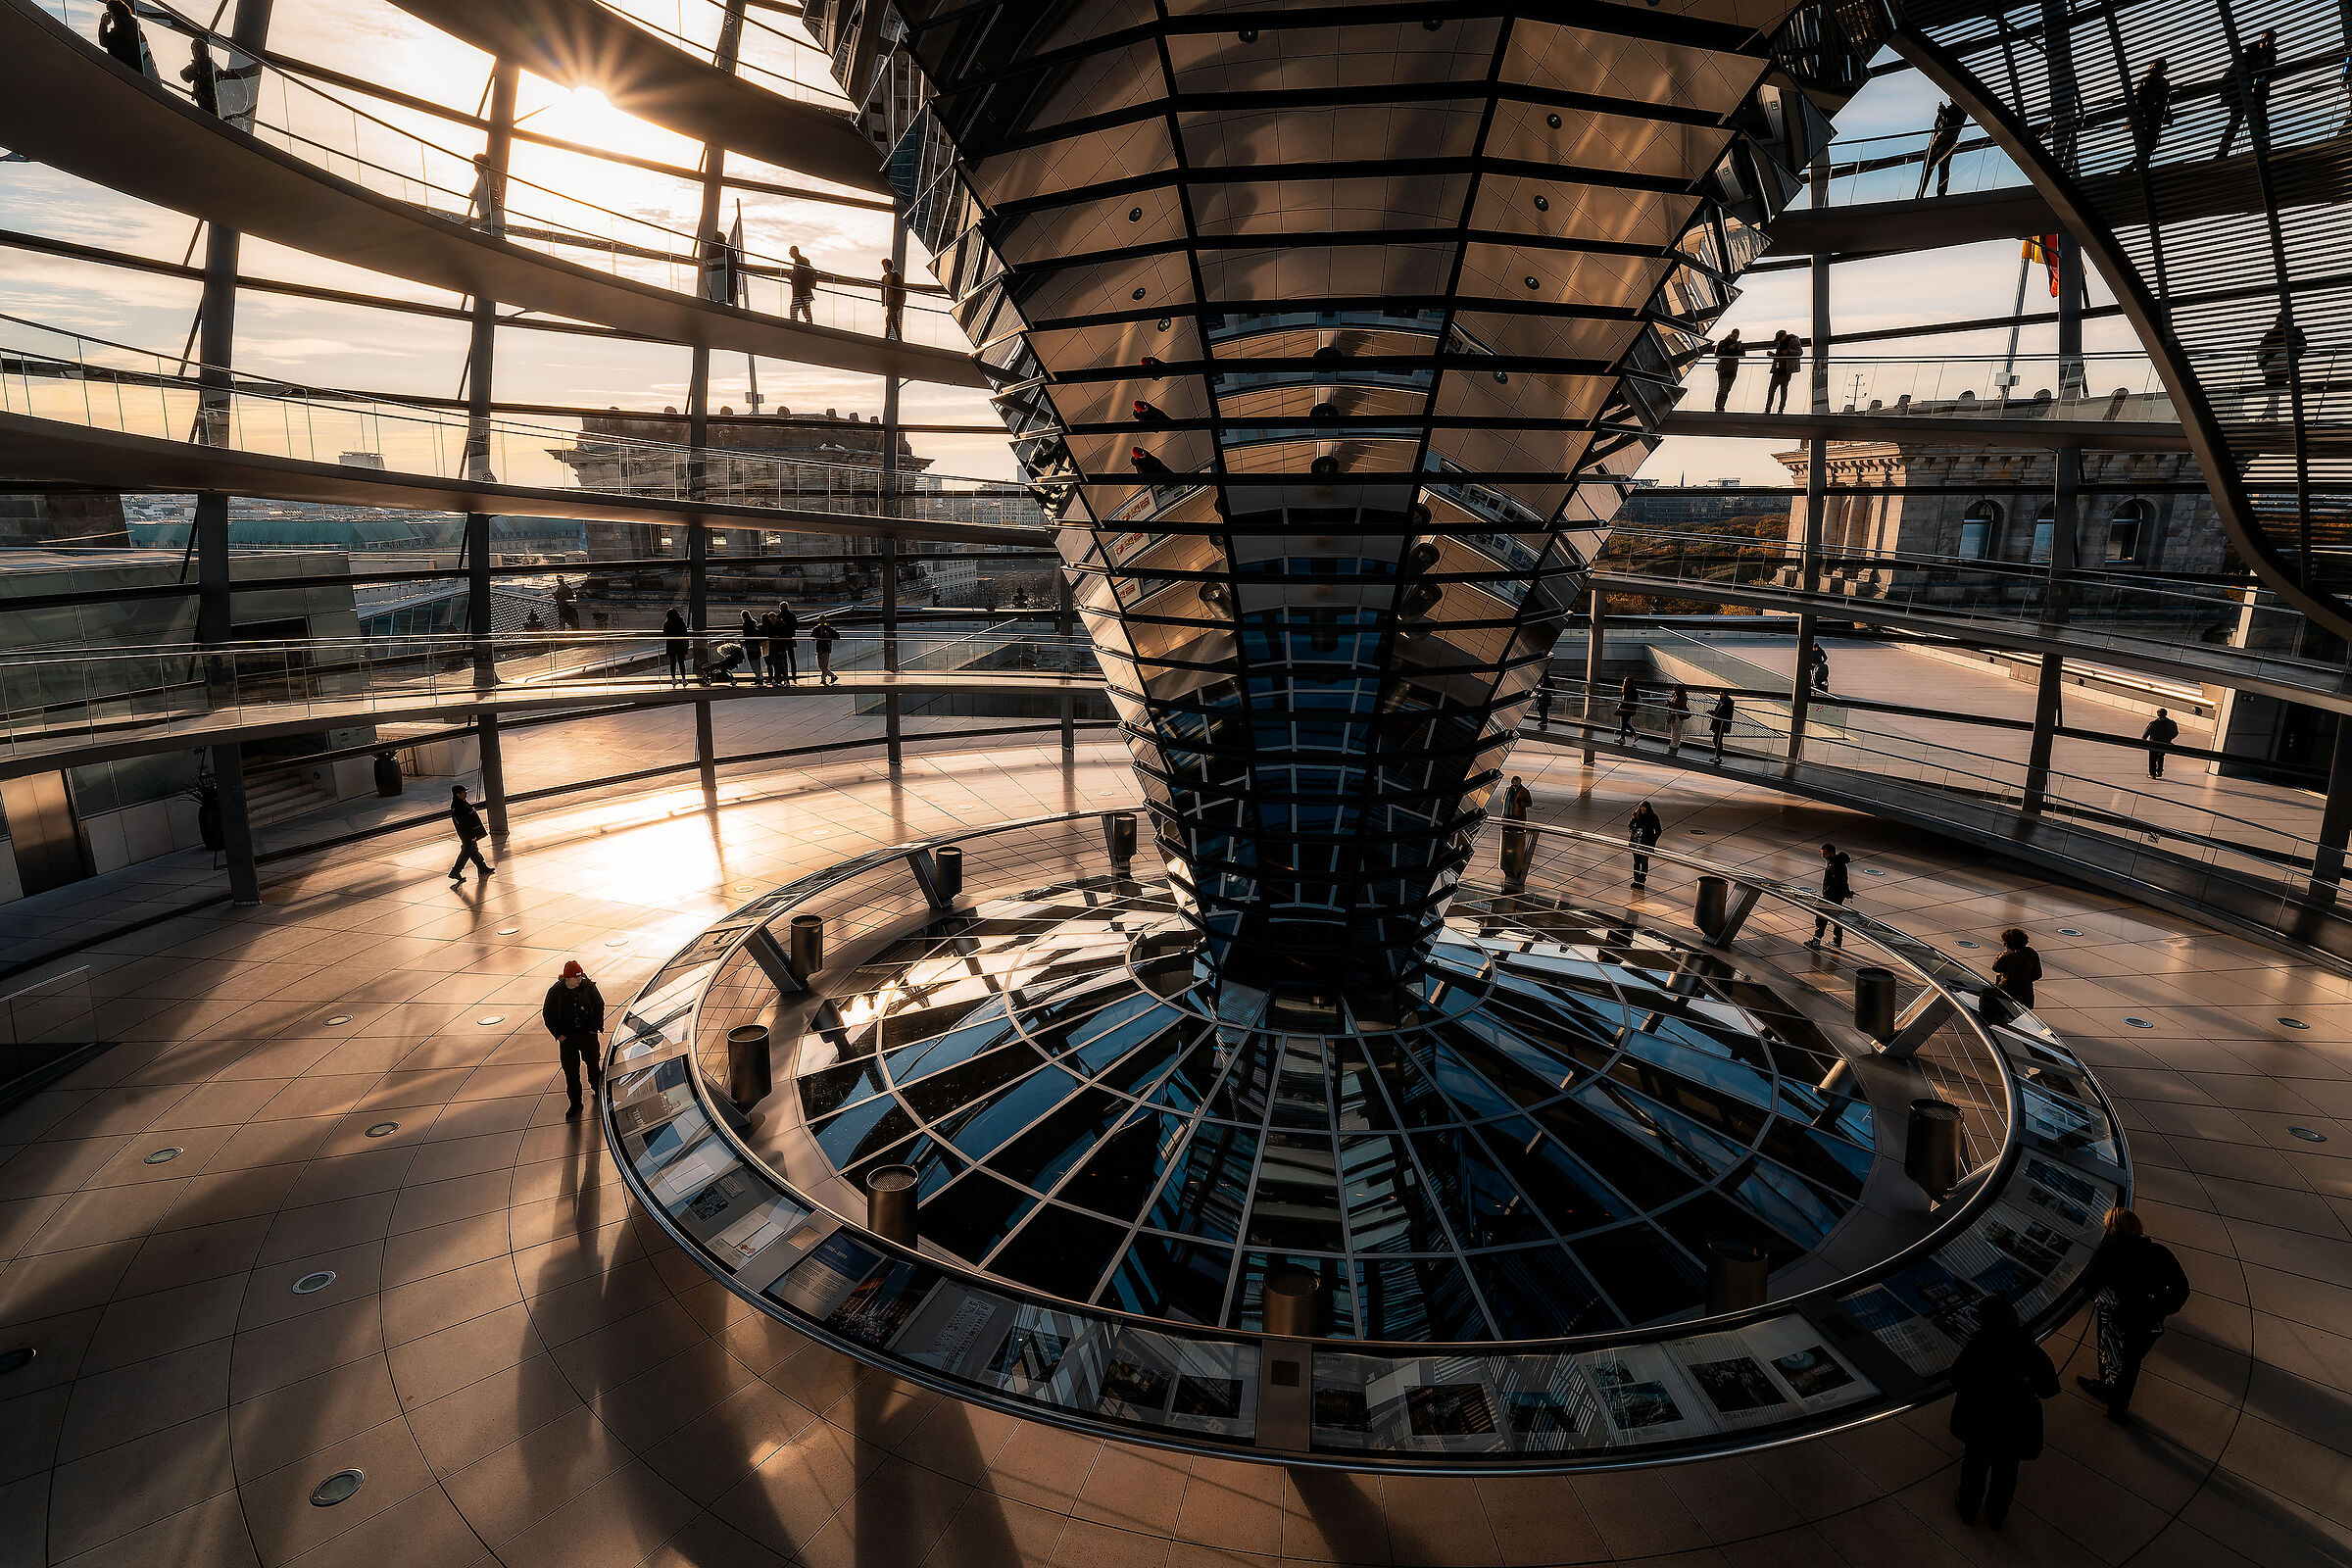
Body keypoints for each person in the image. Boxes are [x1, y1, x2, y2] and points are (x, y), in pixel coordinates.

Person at [1948, 1297, 2058, 1530]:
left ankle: (1968, 1509)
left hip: (1980, 1422)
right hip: (2015, 1427)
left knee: (1974, 1467)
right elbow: (2049, 1387)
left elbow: (1957, 1377)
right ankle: (1997, 1514)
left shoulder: (1978, 1346)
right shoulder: (2028, 1350)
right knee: (2006, 1472)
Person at [2075, 1206, 2190, 1421]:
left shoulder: (2107, 1251)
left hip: (2115, 1318)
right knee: (2131, 1363)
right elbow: (2181, 1289)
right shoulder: (2158, 1252)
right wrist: (2159, 1309)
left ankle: (2106, 1388)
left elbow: (2089, 1284)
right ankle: (2118, 1404)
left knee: (2109, 1355)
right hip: (2147, 1323)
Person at [542, 959, 607, 1119]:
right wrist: (559, 1035)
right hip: (567, 1039)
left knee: (593, 1065)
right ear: (567, 978)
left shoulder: (588, 986)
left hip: (587, 1035)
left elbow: (600, 1005)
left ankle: (598, 1091)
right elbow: (547, 1014)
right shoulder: (555, 992)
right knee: (571, 1073)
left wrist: (594, 1029)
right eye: (576, 977)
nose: (580, 979)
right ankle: (575, 1103)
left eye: (580, 976)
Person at [2216, 29, 2278, 158]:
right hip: (2242, 95)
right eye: (2265, 40)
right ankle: (2222, 152)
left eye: (2271, 41)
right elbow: (2231, 73)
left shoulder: (2271, 57)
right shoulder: (2248, 56)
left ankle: (2266, 148)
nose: (2267, 43)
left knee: (2261, 122)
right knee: (2236, 122)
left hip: (2258, 94)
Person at [2257, 309, 2305, 418]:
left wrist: (2264, 364)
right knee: (2276, 385)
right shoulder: (2291, 332)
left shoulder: (2271, 334)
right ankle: (2272, 410)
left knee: (2275, 385)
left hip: (2278, 367)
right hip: (2280, 367)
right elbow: (2303, 347)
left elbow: (2261, 352)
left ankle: (2272, 410)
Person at [2129, 58, 2174, 170]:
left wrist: (2167, 114)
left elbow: (2164, 101)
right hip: (2149, 118)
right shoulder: (2151, 81)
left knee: (2148, 146)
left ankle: (2136, 167)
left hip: (2151, 118)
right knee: (2147, 145)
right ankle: (2135, 167)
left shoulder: (2153, 81)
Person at [1808, 842, 1851, 950]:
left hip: (1832, 897)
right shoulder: (1834, 863)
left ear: (1832, 853)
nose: (1823, 856)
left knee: (1821, 918)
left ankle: (1816, 940)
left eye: (1825, 854)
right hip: (1834, 896)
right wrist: (1847, 893)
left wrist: (1846, 893)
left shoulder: (1836, 865)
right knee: (1835, 919)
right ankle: (1837, 941)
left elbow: (1840, 882)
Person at [1919, 101, 1965, 199]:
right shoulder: (1950, 109)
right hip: (1935, 143)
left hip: (1945, 143)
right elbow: (1936, 125)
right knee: (1926, 172)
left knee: (1942, 169)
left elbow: (1952, 124)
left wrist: (1943, 113)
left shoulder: (1961, 109)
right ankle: (1920, 194)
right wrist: (1940, 114)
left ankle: (1940, 194)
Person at [448, 784, 493, 885]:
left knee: (473, 851)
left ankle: (482, 867)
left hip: (468, 834)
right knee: (466, 852)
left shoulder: (461, 803)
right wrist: (472, 835)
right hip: (467, 835)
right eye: (464, 792)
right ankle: (455, 871)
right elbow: (464, 823)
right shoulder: (459, 806)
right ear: (458, 794)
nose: (466, 793)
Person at [1991, 926, 2042, 1010]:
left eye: (2004, 942)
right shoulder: (2032, 953)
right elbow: (2038, 975)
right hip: (2026, 996)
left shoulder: (2008, 956)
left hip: (2007, 993)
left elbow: (1996, 968)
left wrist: (2001, 955)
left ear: (2009, 943)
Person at [98, 0, 146, 73]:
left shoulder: (122, 29)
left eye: (110, 12)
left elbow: (104, 41)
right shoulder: (134, 28)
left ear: (114, 13)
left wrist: (103, 24)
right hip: (137, 71)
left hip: (125, 72)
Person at [1765, 330, 1802, 415]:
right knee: (1772, 390)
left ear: (1783, 337)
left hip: (1786, 370)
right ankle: (1768, 409)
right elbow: (1779, 356)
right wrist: (1773, 355)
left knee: (1782, 390)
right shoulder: (1781, 343)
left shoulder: (1793, 340)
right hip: (1778, 368)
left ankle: (1780, 409)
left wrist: (1788, 352)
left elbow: (1800, 352)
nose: (1779, 341)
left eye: (1779, 339)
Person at [1628, 801, 1663, 887]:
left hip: (1646, 844)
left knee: (1644, 862)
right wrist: (1633, 833)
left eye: (1644, 810)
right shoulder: (1636, 815)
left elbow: (1659, 830)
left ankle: (1642, 880)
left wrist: (1652, 841)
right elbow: (1630, 826)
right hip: (1636, 843)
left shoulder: (1653, 817)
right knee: (1636, 862)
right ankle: (1636, 880)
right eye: (1641, 810)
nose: (1643, 812)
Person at [182, 36, 220, 116]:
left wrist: (198, 93)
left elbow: (186, 76)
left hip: (206, 101)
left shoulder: (199, 63)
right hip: (212, 100)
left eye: (194, 49)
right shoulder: (212, 64)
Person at [2141, 707, 2180, 777]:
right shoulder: (2172, 723)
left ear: (2158, 714)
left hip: (2154, 743)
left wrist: (2144, 739)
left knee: (2152, 758)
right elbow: (2176, 733)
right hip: (2165, 743)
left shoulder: (2154, 723)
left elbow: (2146, 733)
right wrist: (2169, 739)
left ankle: (2152, 774)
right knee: (2161, 756)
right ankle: (2159, 771)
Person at [1712, 329, 1744, 413]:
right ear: (1730, 334)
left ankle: (1721, 407)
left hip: (1732, 368)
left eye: (1736, 335)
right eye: (1734, 335)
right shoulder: (1723, 343)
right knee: (1722, 388)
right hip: (1724, 368)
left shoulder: (1738, 344)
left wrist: (1739, 348)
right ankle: (1718, 407)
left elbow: (1743, 356)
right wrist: (1728, 348)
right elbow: (1717, 354)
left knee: (1727, 389)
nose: (1735, 336)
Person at [662, 606, 690, 685]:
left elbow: (664, 635)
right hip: (680, 645)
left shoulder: (667, 623)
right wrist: (686, 646)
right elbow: (685, 635)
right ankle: (684, 679)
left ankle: (673, 678)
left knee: (672, 663)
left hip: (671, 646)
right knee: (681, 663)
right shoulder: (681, 622)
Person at [788, 245, 816, 323]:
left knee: (795, 309)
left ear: (794, 252)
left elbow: (800, 275)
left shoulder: (800, 262)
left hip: (801, 292)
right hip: (804, 292)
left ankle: (794, 325)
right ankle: (808, 325)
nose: (789, 253)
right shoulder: (801, 261)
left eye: (790, 251)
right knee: (805, 310)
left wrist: (792, 277)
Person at [773, 601, 800, 681]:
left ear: (780, 608)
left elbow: (776, 628)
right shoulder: (792, 615)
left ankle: (785, 676)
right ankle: (794, 675)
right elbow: (796, 626)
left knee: (783, 659)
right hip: (790, 638)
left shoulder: (778, 616)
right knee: (792, 658)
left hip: (782, 639)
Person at [880, 258, 906, 341]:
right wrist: (884, 302)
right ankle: (899, 340)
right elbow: (883, 289)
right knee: (894, 323)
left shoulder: (895, 276)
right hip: (889, 302)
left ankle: (886, 339)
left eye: (885, 266)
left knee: (888, 320)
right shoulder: (884, 278)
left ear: (889, 267)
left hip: (894, 302)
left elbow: (901, 290)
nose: (884, 268)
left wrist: (901, 302)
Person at [739, 609, 765, 683]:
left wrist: (743, 642)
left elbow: (745, 636)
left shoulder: (745, 625)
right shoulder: (754, 622)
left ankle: (758, 678)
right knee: (758, 661)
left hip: (750, 645)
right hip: (756, 644)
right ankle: (760, 677)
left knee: (752, 662)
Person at [812, 615, 840, 683]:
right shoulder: (817, 628)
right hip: (819, 648)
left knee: (823, 665)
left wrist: (828, 635)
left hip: (826, 648)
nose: (822, 620)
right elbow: (812, 637)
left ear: (825, 620)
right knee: (821, 666)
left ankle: (823, 679)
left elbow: (837, 636)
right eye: (821, 619)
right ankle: (832, 676)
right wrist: (819, 634)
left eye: (823, 619)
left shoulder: (829, 628)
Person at [1708, 692, 1735, 762]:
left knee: (1717, 739)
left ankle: (1718, 756)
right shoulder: (1722, 701)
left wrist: (1715, 715)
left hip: (1721, 724)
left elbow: (1725, 714)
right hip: (1719, 723)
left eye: (1722, 694)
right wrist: (1714, 713)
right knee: (1717, 739)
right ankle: (1717, 756)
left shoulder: (1727, 703)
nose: (1720, 695)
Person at [1665, 684, 1690, 754]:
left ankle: (1675, 744)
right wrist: (1669, 704)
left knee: (1677, 730)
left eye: (1676, 690)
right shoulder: (1675, 695)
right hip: (1673, 714)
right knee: (1673, 729)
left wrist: (1671, 704)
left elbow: (1681, 705)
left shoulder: (1683, 696)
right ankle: (1673, 743)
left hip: (1679, 715)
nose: (1675, 691)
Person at [1615, 676, 1641, 745]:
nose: (1624, 682)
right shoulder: (1634, 690)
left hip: (1625, 709)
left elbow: (1625, 699)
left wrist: (1619, 706)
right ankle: (1632, 735)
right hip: (1631, 709)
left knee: (1623, 723)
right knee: (1625, 723)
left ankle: (1623, 738)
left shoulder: (1626, 689)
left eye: (1625, 681)